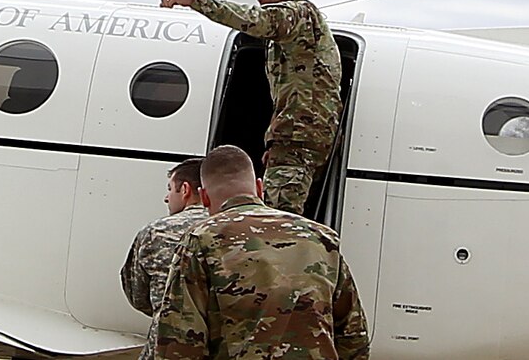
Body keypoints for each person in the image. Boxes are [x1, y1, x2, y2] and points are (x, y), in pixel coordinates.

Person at [152, 0, 341, 215]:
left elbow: (253, 19)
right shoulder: (295, 26)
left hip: (299, 140)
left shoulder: (297, 15)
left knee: (276, 221)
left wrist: (193, 1)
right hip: (294, 139)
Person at [154, 145, 370, 360]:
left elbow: (179, 341)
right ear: (259, 188)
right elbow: (353, 336)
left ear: (205, 197)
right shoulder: (322, 239)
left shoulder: (201, 240)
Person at [121, 158, 209, 360]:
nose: (166, 198)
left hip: (165, 348)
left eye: (170, 189)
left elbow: (137, 295)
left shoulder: (156, 232)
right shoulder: (236, 232)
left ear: (185, 190)